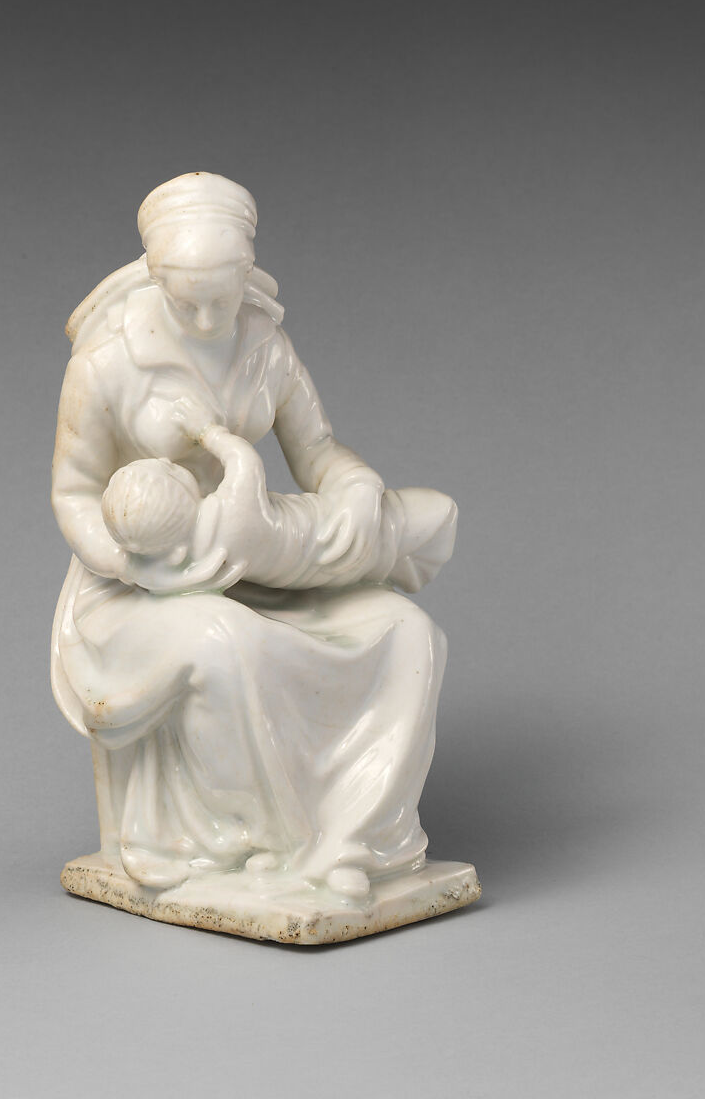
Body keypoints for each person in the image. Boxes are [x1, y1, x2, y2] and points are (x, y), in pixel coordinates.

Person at [51, 172, 455, 898]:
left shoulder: (264, 345)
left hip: (252, 561)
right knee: (221, 640)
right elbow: (73, 492)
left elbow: (318, 450)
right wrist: (139, 565)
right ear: (156, 278)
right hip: (137, 586)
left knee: (407, 631)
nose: (209, 318)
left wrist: (355, 490)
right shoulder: (110, 361)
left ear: (247, 275)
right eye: (188, 301)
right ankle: (252, 842)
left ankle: (352, 844)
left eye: (223, 297)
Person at [99, 424, 457, 596]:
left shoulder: (185, 558)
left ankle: (402, 563)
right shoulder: (233, 511)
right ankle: (408, 555)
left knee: (396, 549)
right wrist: (207, 432)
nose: (165, 460)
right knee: (436, 512)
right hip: (331, 530)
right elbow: (243, 458)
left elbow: (136, 563)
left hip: (308, 573)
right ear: (179, 498)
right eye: (166, 470)